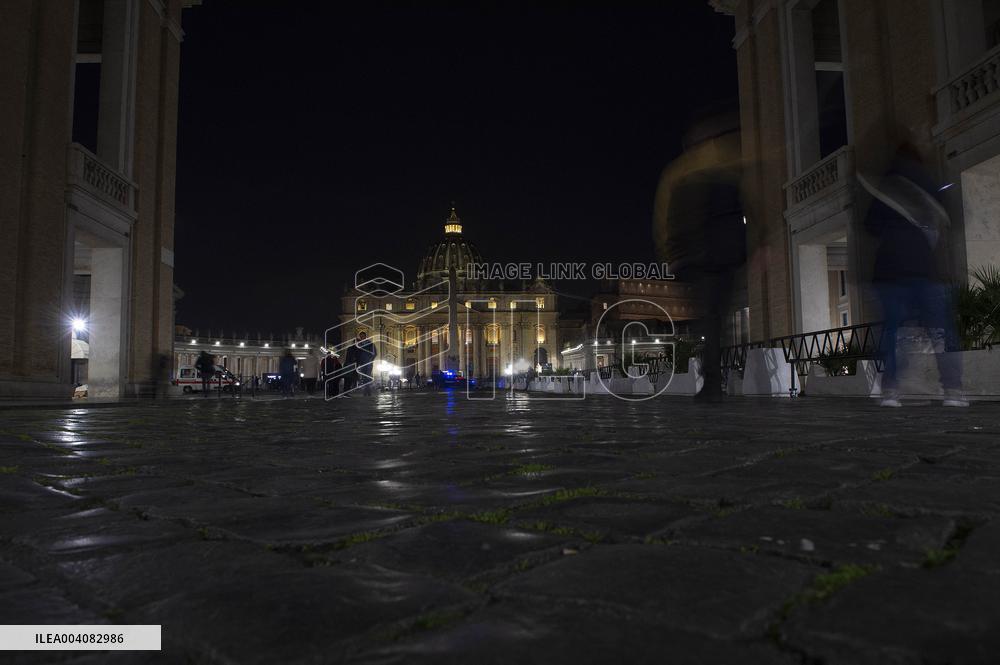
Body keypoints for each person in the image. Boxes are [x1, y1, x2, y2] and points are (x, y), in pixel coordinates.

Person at [861, 141, 967, 407]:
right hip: (925, 269)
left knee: (892, 334)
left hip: (889, 271)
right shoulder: (929, 181)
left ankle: (891, 391)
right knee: (942, 332)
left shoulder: (885, 185)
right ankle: (953, 390)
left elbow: (870, 226)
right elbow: (952, 216)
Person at [344, 331, 377, 396]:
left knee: (367, 376)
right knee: (364, 377)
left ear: (365, 336)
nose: (362, 337)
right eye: (360, 336)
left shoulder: (370, 344)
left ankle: (367, 391)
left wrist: (370, 360)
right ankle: (366, 391)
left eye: (363, 336)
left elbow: (374, 353)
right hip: (361, 363)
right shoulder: (359, 345)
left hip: (368, 363)